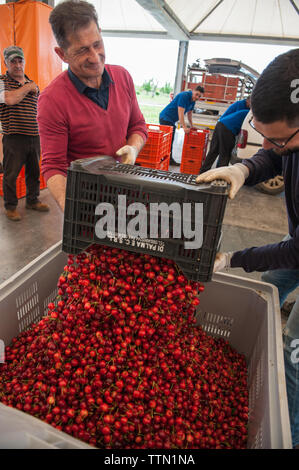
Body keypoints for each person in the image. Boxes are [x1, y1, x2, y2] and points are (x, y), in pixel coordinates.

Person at [196, 48, 299, 449]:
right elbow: (274, 155)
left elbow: (295, 253)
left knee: (292, 353)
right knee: (270, 289)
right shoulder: (289, 136)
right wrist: (244, 167)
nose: (269, 144)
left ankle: (287, 436)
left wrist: (237, 259)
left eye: (277, 138)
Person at [37, 0, 147, 212]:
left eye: (97, 44)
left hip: (124, 190)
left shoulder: (122, 77)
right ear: (62, 54)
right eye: (82, 51)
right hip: (86, 201)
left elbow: (138, 125)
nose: (95, 57)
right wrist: (70, 207)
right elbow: (53, 166)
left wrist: (133, 147)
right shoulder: (53, 100)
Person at [0, 46, 49, 221]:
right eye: (13, 61)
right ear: (5, 62)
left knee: (34, 171)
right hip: (14, 137)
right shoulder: (2, 81)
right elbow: (9, 99)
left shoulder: (32, 83)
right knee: (11, 174)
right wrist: (28, 87)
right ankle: (11, 206)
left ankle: (32, 200)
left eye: (20, 60)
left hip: (35, 136)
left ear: (24, 62)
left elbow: (41, 109)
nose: (17, 64)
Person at [199, 96, 250, 173]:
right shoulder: (243, 108)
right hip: (227, 128)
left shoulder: (246, 109)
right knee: (225, 153)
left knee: (214, 150)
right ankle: (219, 175)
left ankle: (203, 171)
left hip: (220, 124)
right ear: (248, 100)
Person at [159, 86, 204, 166]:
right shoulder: (184, 96)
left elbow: (189, 113)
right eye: (196, 94)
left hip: (171, 120)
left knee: (170, 140)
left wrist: (191, 125)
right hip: (165, 117)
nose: (197, 97)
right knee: (169, 140)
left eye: (199, 96)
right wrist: (184, 127)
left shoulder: (193, 100)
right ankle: (167, 159)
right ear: (193, 91)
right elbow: (181, 113)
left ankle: (166, 158)